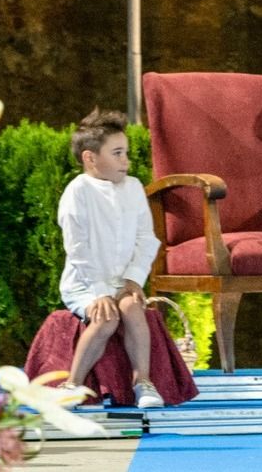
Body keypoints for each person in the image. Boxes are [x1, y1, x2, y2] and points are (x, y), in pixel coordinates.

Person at [57, 109, 164, 408]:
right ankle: (72, 384)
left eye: (126, 153)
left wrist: (133, 278)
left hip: (122, 281)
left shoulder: (133, 188)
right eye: (117, 153)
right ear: (90, 158)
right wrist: (99, 293)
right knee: (106, 319)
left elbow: (147, 238)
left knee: (131, 308)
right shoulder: (77, 191)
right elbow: (77, 249)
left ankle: (143, 382)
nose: (126, 161)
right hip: (85, 284)